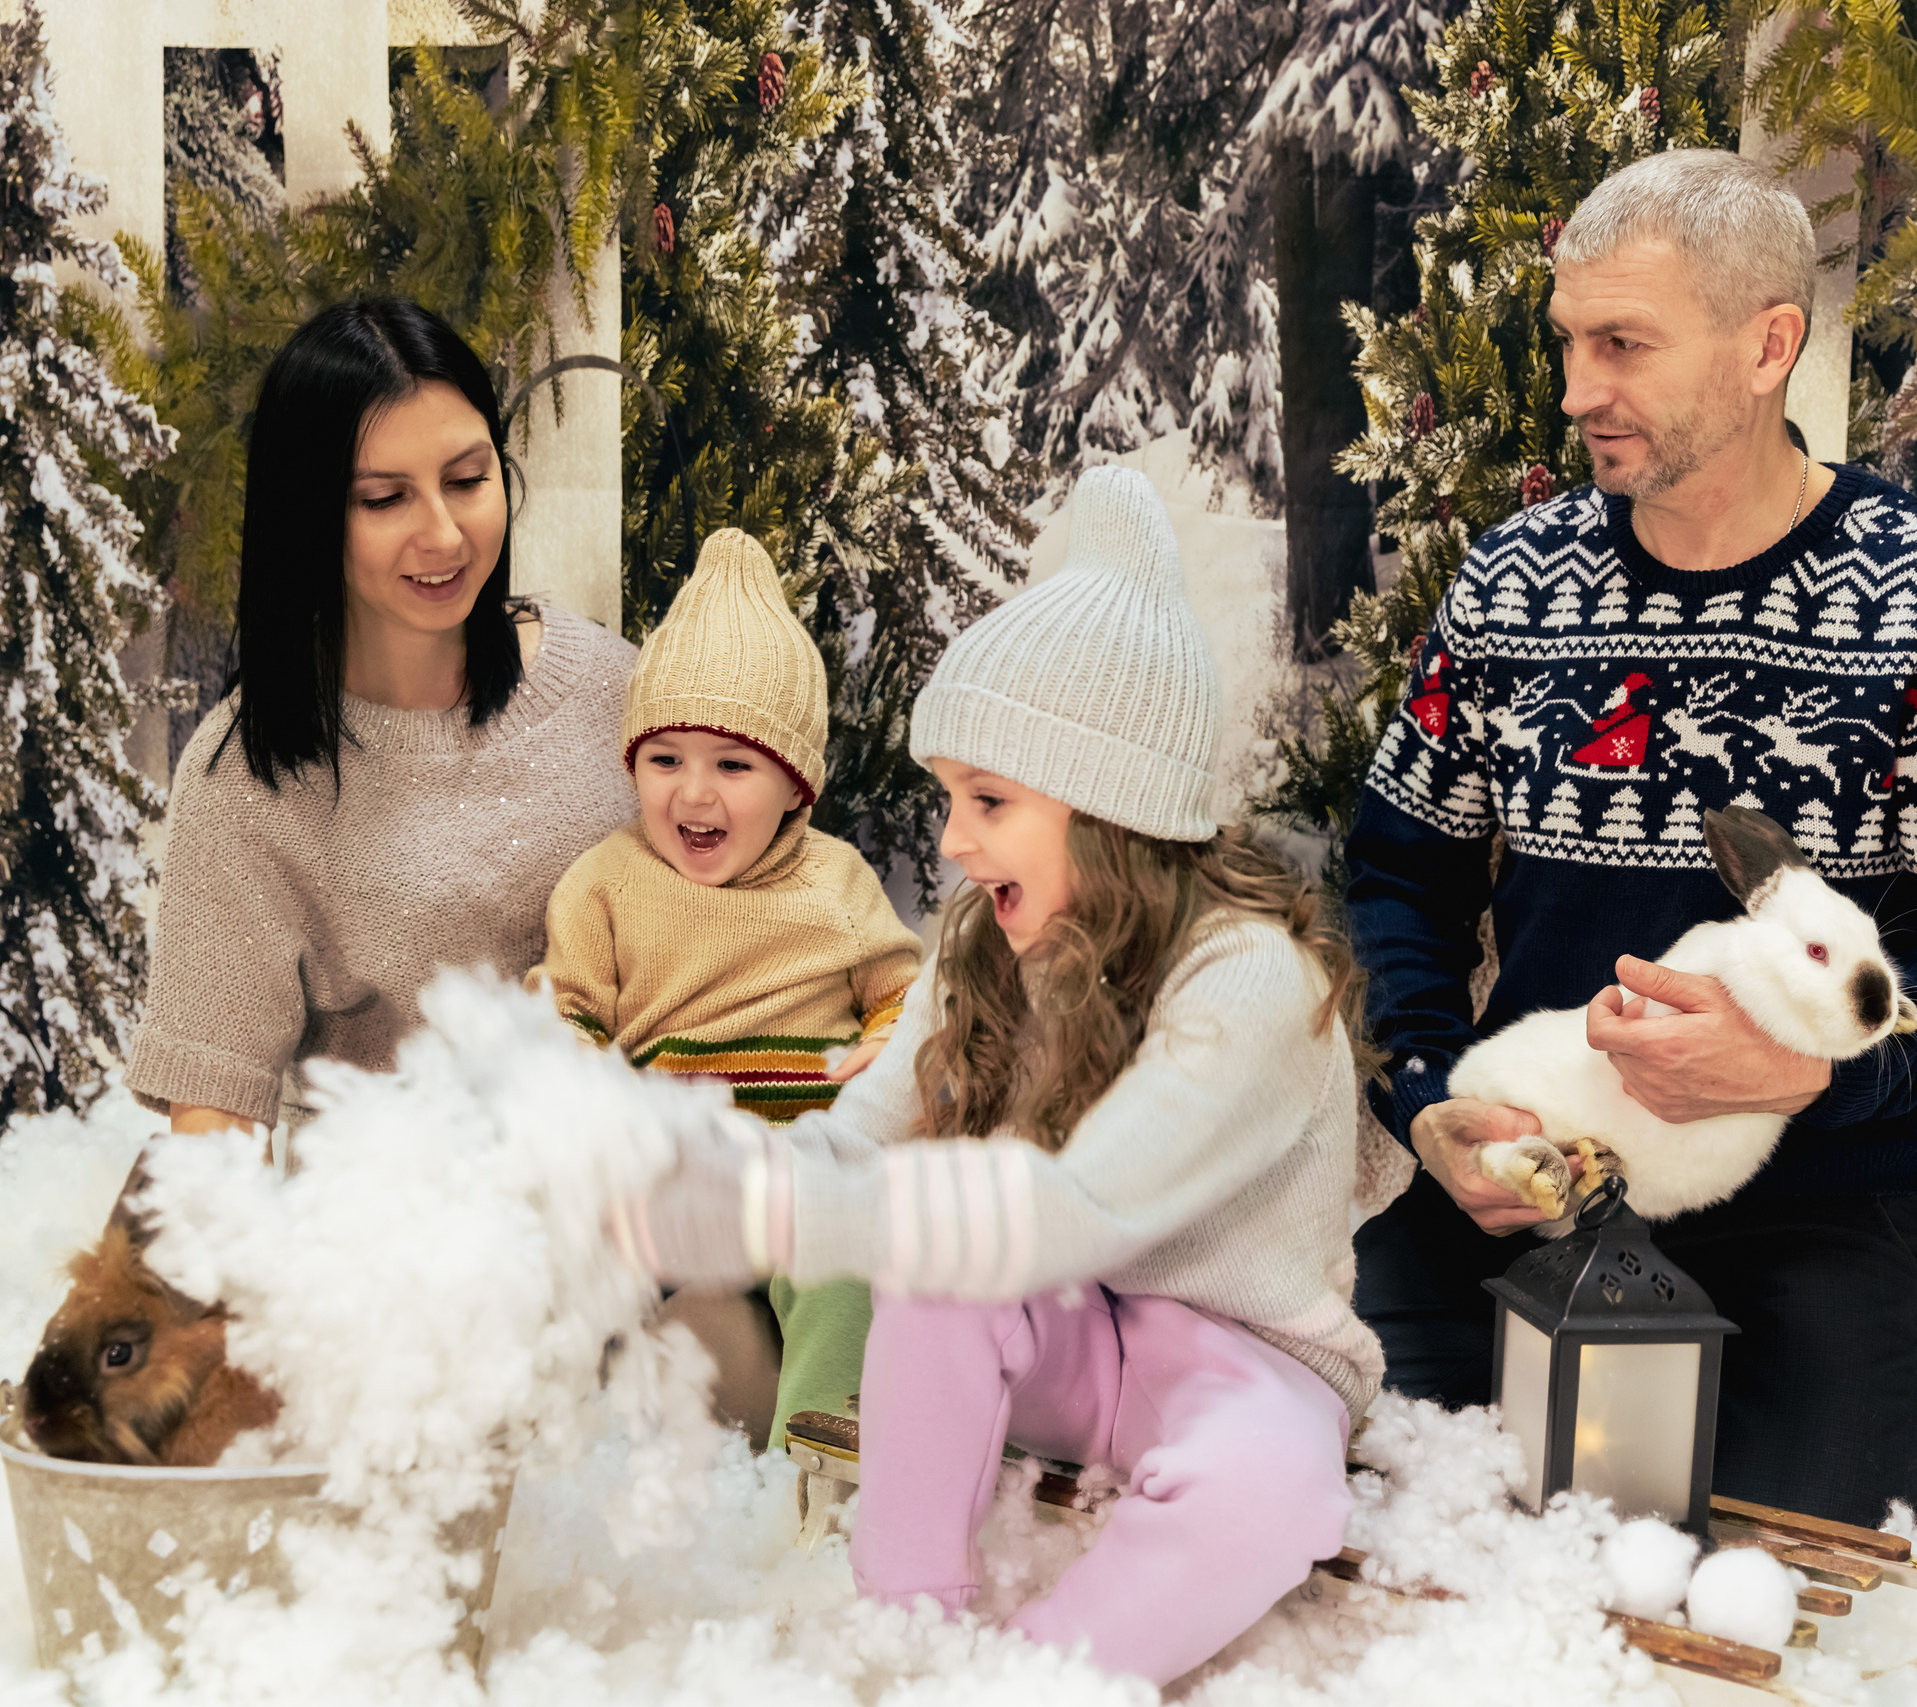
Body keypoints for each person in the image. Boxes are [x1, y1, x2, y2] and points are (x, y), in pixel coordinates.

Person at [1343, 150, 1917, 1527]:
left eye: (1623, 343)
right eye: (1569, 340)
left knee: (1788, 1577)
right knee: (1352, 1492)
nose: (1574, 390)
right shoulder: (1515, 581)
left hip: (1821, 1194)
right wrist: (1434, 1098)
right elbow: (1397, 872)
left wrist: (1806, 1075)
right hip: (1537, 1169)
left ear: (1766, 345)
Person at [613, 465, 1384, 1686]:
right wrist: (705, 1179)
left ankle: (1027, 1682)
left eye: (988, 800)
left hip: (1245, 1359)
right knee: (937, 1270)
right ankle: (906, 1622)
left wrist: (777, 1210)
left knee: (1269, 1494)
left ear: (1109, 808)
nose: (954, 842)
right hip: (1076, 1350)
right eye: (948, 799)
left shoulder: (1250, 982)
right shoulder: (985, 945)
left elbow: (1082, 1209)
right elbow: (856, 1139)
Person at [124, 297, 640, 1137]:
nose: (444, 534)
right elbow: (211, 1132)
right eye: (385, 498)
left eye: (468, 481)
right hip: (388, 1232)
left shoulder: (616, 694)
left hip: (632, 1212)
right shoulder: (245, 777)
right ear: (311, 518)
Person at [529, 525, 922, 1450]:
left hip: (801, 1176)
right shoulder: (607, 881)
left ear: (796, 784)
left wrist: (892, 1047)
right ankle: (562, 1458)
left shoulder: (836, 883)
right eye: (665, 759)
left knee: (843, 1268)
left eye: (733, 765)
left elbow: (904, 996)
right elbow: (564, 1013)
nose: (693, 796)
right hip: (671, 1180)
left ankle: (816, 1458)